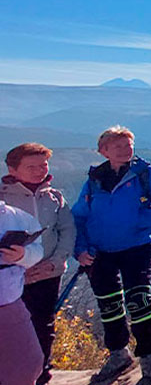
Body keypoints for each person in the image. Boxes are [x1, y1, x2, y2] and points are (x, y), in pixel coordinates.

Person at [72, 126, 151, 385]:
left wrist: (138, 222)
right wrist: (80, 249)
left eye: (128, 145)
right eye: (117, 146)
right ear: (103, 151)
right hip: (99, 251)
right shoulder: (94, 180)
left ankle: (150, 359)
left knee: (139, 300)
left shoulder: (145, 174)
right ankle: (118, 354)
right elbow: (79, 216)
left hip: (137, 247)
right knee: (109, 304)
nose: (125, 150)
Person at [2, 143, 75, 385]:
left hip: (47, 273)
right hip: (12, 278)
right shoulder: (3, 200)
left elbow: (67, 231)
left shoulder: (54, 197)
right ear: (12, 170)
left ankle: (42, 374)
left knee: (44, 323)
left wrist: (55, 263)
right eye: (31, 166)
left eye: (43, 165)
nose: (39, 171)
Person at [0, 197, 46, 385]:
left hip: (9, 301)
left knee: (29, 362)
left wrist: (23, 255)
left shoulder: (17, 217)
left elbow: (38, 250)